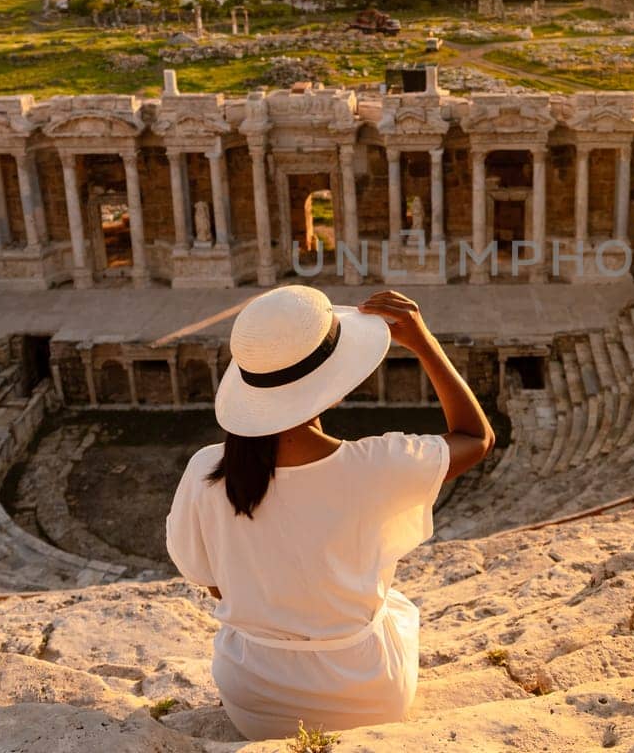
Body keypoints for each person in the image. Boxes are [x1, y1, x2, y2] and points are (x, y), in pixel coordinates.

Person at [166, 287, 494, 741]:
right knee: (393, 606)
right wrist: (424, 344)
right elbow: (476, 437)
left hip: (255, 697)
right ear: (333, 387)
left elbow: (210, 579)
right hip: (365, 695)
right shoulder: (380, 465)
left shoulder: (206, 470)